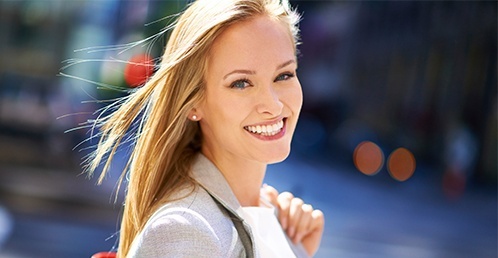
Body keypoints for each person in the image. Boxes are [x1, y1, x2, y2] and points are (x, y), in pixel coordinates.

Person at [87, 0, 325, 257]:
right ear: (193, 102)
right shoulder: (186, 231)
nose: (274, 105)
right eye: (241, 83)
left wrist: (296, 248)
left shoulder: (277, 222)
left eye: (284, 75)